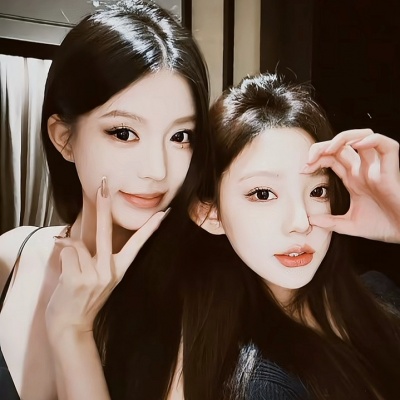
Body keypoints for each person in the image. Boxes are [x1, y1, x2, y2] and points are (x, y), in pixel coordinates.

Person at [0, 0, 214, 399]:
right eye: (123, 133)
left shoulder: (199, 297)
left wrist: (73, 331)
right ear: (64, 138)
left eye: (180, 136)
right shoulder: (10, 256)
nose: (157, 170)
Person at [180, 72, 400, 399]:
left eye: (318, 190)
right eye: (263, 194)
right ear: (209, 213)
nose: (300, 222)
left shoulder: (379, 294)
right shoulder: (264, 385)